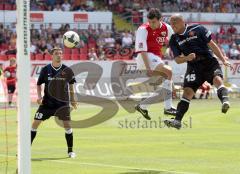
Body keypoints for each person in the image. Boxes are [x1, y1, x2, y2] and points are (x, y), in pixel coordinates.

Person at [164, 14, 231, 129]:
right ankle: (177, 121)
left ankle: (225, 101)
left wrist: (223, 59)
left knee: (217, 80)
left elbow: (211, 44)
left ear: (182, 21)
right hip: (193, 66)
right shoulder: (174, 39)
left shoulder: (198, 29)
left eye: (175, 21)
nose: (172, 24)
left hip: (208, 61)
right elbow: (177, 59)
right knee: (187, 92)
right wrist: (187, 58)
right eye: (171, 22)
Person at [31, 47, 78, 158]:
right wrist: (39, 97)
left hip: (62, 104)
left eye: (61, 54)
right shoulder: (45, 69)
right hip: (47, 103)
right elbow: (39, 84)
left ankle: (70, 151)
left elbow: (71, 86)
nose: (59, 55)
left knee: (67, 126)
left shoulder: (67, 70)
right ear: (51, 55)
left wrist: (73, 100)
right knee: (34, 124)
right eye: (57, 53)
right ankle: (25, 151)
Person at [134, 8, 176, 120]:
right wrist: (148, 68)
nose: (151, 24)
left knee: (165, 87)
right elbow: (142, 50)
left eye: (154, 22)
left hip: (156, 58)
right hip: (144, 57)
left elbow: (174, 41)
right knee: (169, 72)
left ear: (160, 19)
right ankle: (168, 108)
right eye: (150, 21)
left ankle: (143, 106)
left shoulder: (167, 28)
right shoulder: (143, 29)